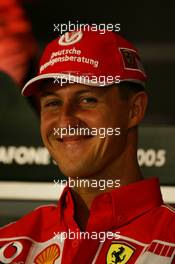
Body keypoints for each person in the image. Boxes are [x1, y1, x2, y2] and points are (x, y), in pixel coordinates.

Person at [0, 27, 174, 264]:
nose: (65, 120)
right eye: (52, 103)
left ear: (135, 110)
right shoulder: (9, 244)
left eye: (87, 99)